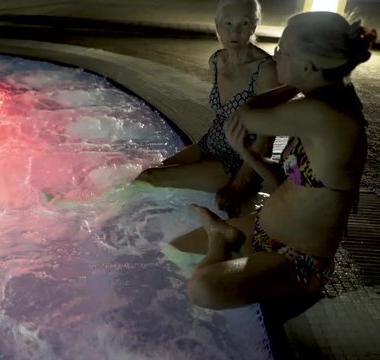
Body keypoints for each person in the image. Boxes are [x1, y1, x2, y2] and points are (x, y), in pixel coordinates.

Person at [171, 11, 376, 310]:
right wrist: (250, 156)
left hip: (294, 262)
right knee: (172, 251)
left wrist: (291, 85)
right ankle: (223, 236)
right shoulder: (332, 98)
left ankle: (220, 237)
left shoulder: (323, 114)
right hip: (264, 232)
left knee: (204, 289)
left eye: (282, 50)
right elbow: (289, 185)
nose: (274, 56)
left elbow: (244, 115)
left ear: (308, 65)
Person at [135, 0, 280, 217]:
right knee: (146, 174)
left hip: (239, 160)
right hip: (210, 145)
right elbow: (221, 118)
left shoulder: (265, 70)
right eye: (228, 23)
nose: (235, 31)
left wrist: (239, 186)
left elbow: (266, 139)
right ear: (217, 25)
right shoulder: (216, 61)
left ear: (254, 26)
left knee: (149, 180)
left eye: (244, 23)